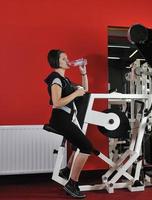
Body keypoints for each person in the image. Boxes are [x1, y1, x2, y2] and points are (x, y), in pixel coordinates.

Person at [44, 49, 92, 198]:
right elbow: (57, 102)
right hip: (60, 119)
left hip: (66, 119)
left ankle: (66, 171)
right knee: (86, 147)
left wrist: (83, 73)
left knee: (79, 143)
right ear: (57, 62)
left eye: (67, 58)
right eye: (64, 59)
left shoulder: (65, 80)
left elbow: (85, 90)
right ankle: (72, 184)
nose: (68, 60)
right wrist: (75, 94)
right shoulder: (56, 79)